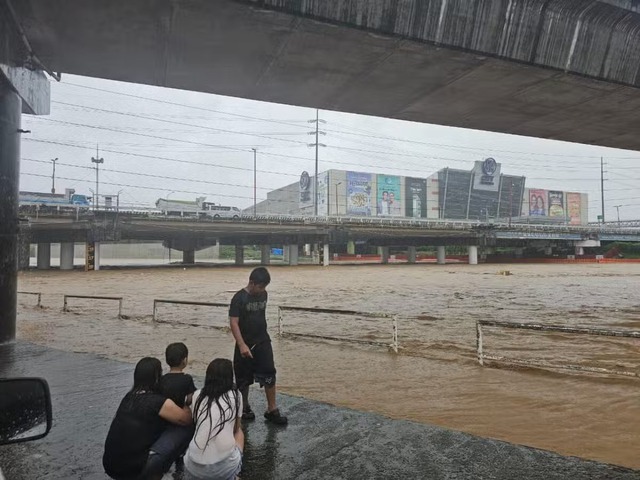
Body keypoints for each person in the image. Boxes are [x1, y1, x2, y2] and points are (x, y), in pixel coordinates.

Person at [103, 357, 194, 480]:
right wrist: (186, 403)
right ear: (157, 378)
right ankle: (163, 470)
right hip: (134, 471)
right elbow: (186, 419)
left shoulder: (128, 397)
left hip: (110, 467)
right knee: (186, 428)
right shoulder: (158, 402)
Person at [229, 267, 288, 425]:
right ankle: (244, 407)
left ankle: (272, 409)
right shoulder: (238, 298)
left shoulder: (264, 294)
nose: (262, 290)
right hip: (245, 343)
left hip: (262, 341)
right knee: (243, 379)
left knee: (269, 373)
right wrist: (241, 344)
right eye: (260, 286)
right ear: (252, 282)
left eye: (264, 287)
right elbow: (234, 322)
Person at [184, 359, 244, 480]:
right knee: (240, 433)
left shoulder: (197, 395)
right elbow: (236, 428)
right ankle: (234, 475)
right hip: (224, 467)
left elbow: (197, 422)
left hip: (193, 467)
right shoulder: (236, 395)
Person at [159, 342, 197, 408]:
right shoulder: (187, 379)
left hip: (164, 411)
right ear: (185, 360)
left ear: (167, 360)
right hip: (180, 410)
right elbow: (189, 399)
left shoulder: (162, 379)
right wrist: (186, 405)